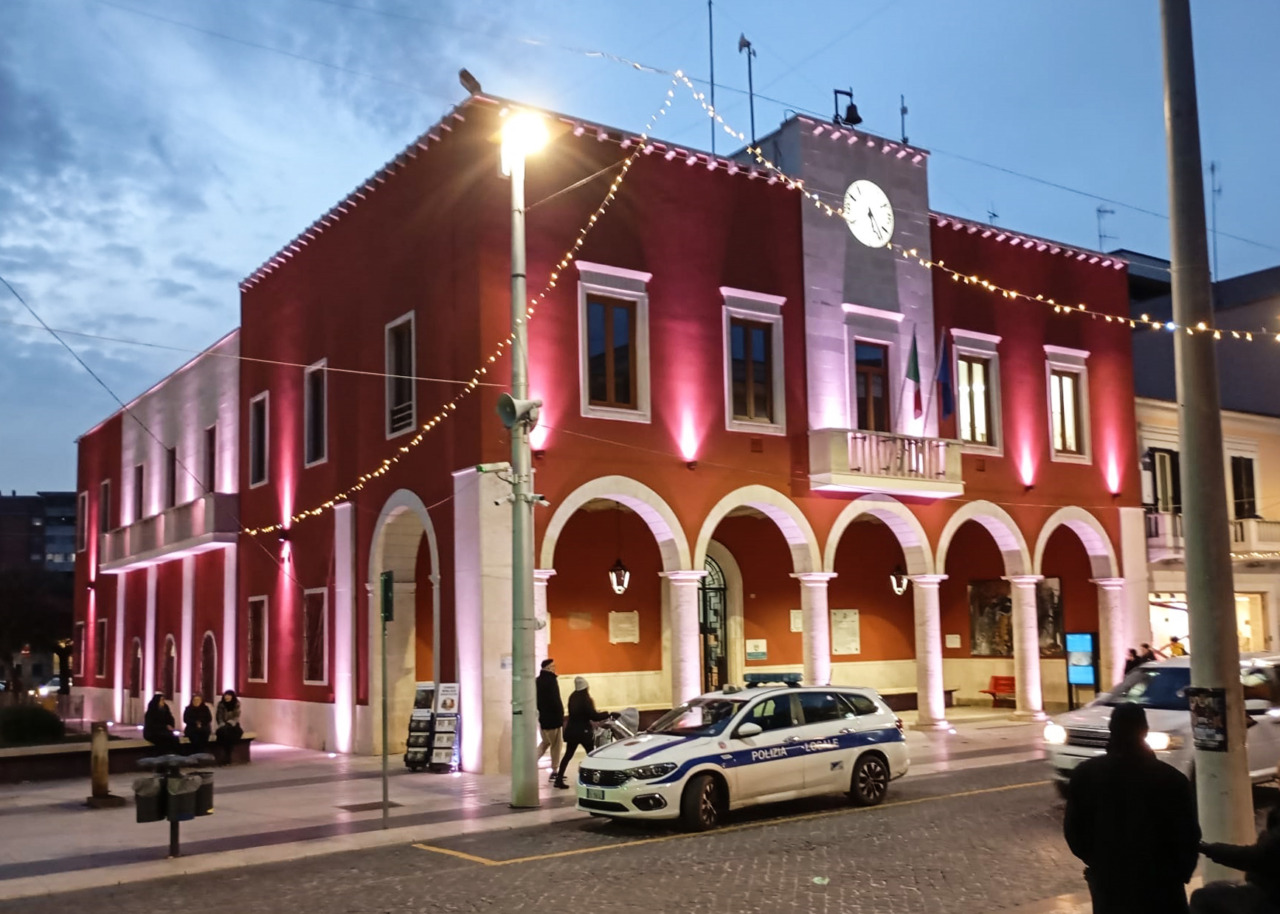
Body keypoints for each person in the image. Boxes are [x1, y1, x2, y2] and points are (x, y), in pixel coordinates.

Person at [1063, 702, 1200, 913]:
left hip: (1109, 882)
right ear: (1144, 731)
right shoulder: (1171, 779)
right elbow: (1187, 835)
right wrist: (1178, 873)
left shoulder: (1085, 774)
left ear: (1112, 730)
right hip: (1161, 885)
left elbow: (1074, 831)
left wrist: (1099, 863)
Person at [1190, 805, 1280, 914]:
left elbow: (1251, 856)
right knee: (1213, 887)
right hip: (1266, 888)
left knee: (1200, 897)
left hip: (1269, 897)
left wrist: (1207, 848)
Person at [553, 676, 609, 789]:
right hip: (583, 732)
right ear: (586, 687)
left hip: (572, 731)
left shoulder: (573, 697)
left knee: (568, 755)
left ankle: (559, 779)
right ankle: (597, 778)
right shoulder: (585, 699)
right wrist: (608, 714)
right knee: (592, 755)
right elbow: (593, 715)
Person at [535, 658, 564, 783]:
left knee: (545, 743)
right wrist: (560, 716)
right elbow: (555, 700)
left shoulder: (537, 681)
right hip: (553, 719)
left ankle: (530, 764)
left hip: (543, 720)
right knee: (556, 746)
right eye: (553, 666)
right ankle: (555, 771)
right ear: (547, 667)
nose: (554, 667)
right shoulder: (551, 681)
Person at [215, 689, 243, 765]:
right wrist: (222, 724)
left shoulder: (236, 704)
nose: (227, 697)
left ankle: (227, 756)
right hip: (223, 725)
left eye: (229, 695)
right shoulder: (221, 705)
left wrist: (230, 723)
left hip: (233, 725)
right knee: (223, 733)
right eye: (226, 695)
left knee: (231, 734)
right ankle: (227, 755)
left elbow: (236, 717)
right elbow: (219, 717)